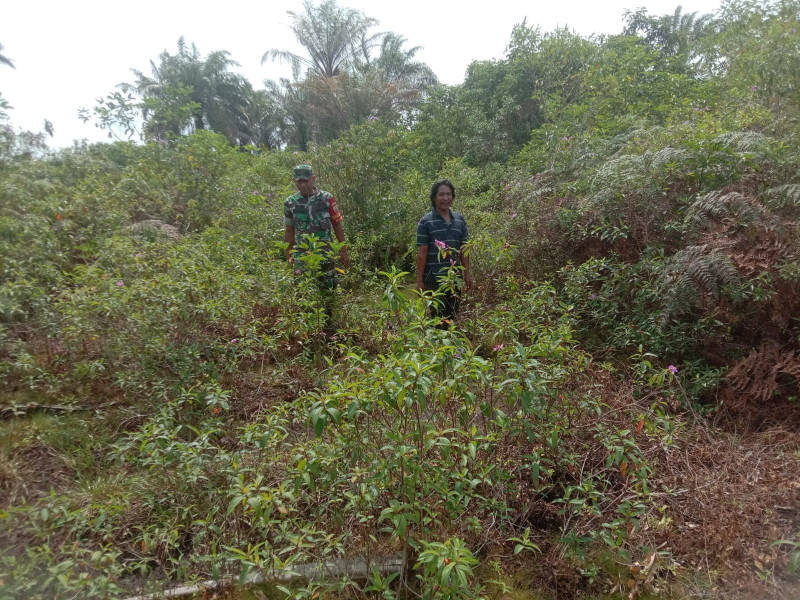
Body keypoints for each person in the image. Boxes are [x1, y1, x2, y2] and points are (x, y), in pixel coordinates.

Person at [416, 179, 472, 320]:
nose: (445, 198)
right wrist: (419, 280)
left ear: (453, 197)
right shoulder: (426, 221)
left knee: (452, 313)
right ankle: (436, 342)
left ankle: (448, 342)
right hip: (433, 278)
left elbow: (464, 248)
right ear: (434, 197)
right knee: (437, 317)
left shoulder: (460, 219)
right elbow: (422, 252)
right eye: (441, 194)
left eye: (448, 194)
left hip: (455, 277)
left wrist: (467, 275)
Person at [283, 164, 350, 282]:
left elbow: (337, 224)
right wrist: (289, 255)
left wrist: (343, 250)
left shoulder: (327, 198)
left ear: (313, 178)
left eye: (306, 180)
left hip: (325, 255)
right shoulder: (290, 203)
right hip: (302, 256)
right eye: (299, 181)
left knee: (329, 289)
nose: (303, 185)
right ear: (294, 181)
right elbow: (289, 231)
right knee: (302, 291)